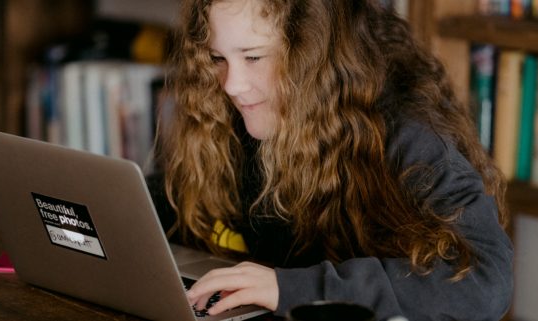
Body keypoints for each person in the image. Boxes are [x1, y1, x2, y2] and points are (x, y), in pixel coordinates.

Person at [148, 0, 513, 320]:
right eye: (217, 58)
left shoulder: (408, 133)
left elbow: (484, 281)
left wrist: (291, 288)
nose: (232, 85)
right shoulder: (232, 115)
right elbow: (175, 207)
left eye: (253, 57)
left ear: (313, 52)